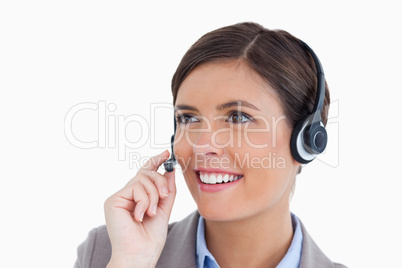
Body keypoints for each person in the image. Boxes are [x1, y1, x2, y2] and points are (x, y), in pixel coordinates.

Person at [74, 22, 347, 268]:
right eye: (188, 118)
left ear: (306, 140)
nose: (203, 145)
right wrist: (133, 262)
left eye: (238, 118)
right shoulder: (109, 255)